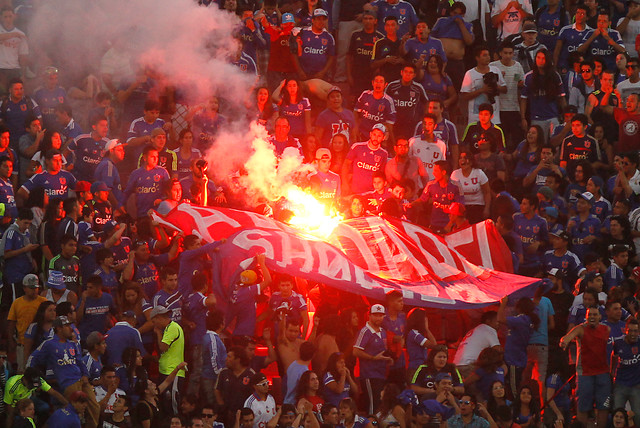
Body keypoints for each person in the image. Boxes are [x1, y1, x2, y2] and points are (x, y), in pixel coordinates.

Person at [560, 306, 611, 427]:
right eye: (590, 315)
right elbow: (567, 337)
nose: (592, 317)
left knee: (603, 405)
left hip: (603, 372)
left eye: (595, 315)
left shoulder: (606, 329)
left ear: (600, 317)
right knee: (583, 406)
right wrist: (564, 341)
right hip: (585, 374)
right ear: (586, 317)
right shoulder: (581, 329)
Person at [353, 304, 394, 415]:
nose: (378, 318)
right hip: (369, 374)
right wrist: (373, 358)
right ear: (369, 315)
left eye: (381, 315)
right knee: (372, 406)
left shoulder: (383, 332)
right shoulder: (365, 331)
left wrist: (388, 359)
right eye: (375, 315)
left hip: (381, 374)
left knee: (380, 405)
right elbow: (356, 351)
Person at [3, 367, 68, 428]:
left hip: (29, 399)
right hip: (15, 404)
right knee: (17, 419)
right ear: (25, 379)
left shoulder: (38, 380)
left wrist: (67, 403)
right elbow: (9, 408)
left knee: (45, 407)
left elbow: (53, 392)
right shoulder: (11, 385)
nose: (33, 387)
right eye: (31, 385)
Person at [409, 160, 462, 232]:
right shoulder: (430, 184)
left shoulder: (456, 186)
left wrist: (450, 224)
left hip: (451, 226)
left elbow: (460, 207)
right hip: (434, 224)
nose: (433, 173)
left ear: (444, 172)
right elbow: (422, 200)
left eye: (436, 171)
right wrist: (410, 205)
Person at [150, 305, 186, 414]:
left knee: (172, 406)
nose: (154, 324)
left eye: (154, 321)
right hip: (167, 371)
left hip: (173, 372)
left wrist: (158, 333)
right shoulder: (168, 328)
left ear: (158, 318)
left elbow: (163, 347)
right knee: (165, 405)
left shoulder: (172, 328)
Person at [461, 45, 507, 126]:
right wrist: (482, 90)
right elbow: (464, 96)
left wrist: (495, 87)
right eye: (484, 55)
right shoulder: (470, 74)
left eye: (488, 55)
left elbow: (505, 89)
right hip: (476, 117)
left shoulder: (495, 70)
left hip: (494, 118)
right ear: (477, 58)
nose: (488, 57)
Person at [123, 146, 170, 218]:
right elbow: (127, 192)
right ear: (145, 157)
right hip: (142, 214)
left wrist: (162, 199)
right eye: (152, 157)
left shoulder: (162, 172)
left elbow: (169, 191)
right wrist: (120, 205)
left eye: (157, 157)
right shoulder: (136, 174)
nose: (155, 159)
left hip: (159, 214)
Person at [342, 123, 389, 195]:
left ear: (383, 137)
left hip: (372, 193)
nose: (376, 138)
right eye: (374, 134)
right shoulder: (357, 147)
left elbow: (381, 175)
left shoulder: (384, 154)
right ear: (370, 134)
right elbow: (346, 165)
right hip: (354, 191)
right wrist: (345, 183)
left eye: (379, 136)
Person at [291, 9, 335, 84]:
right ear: (313, 20)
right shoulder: (302, 33)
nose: (321, 22)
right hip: (303, 74)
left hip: (320, 76)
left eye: (323, 19)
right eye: (318, 19)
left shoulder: (329, 37)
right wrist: (299, 71)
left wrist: (323, 72)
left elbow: (331, 56)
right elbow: (293, 53)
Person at [386, 64, 428, 140]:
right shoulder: (392, 86)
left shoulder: (418, 88)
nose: (408, 74)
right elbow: (383, 101)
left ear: (414, 75)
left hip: (410, 125)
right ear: (401, 72)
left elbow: (427, 104)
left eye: (410, 72)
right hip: (393, 124)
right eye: (406, 72)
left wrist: (423, 119)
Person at [215, 346, 255, 427]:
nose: (226, 359)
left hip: (244, 418)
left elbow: (255, 394)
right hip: (226, 415)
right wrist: (222, 406)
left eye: (229, 357)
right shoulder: (224, 373)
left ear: (238, 359)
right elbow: (217, 390)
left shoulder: (250, 374)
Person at [452, 311, 500, 379]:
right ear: (488, 321)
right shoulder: (488, 329)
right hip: (469, 365)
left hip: (456, 365)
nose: (499, 323)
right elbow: (497, 349)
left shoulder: (476, 330)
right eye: (497, 321)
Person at [347, 11, 384, 96]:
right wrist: (349, 75)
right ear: (362, 20)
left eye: (370, 19)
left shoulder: (380, 38)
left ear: (375, 21)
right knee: (355, 101)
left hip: (372, 76)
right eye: (365, 18)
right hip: (357, 75)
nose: (368, 21)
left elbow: (381, 60)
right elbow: (349, 56)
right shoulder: (355, 35)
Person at [354, 74, 396, 141]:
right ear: (372, 83)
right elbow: (356, 112)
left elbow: (389, 124)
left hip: (377, 137)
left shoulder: (388, 101)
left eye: (381, 82)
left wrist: (386, 140)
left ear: (385, 85)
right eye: (376, 81)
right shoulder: (365, 94)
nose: (378, 84)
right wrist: (355, 129)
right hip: (362, 134)